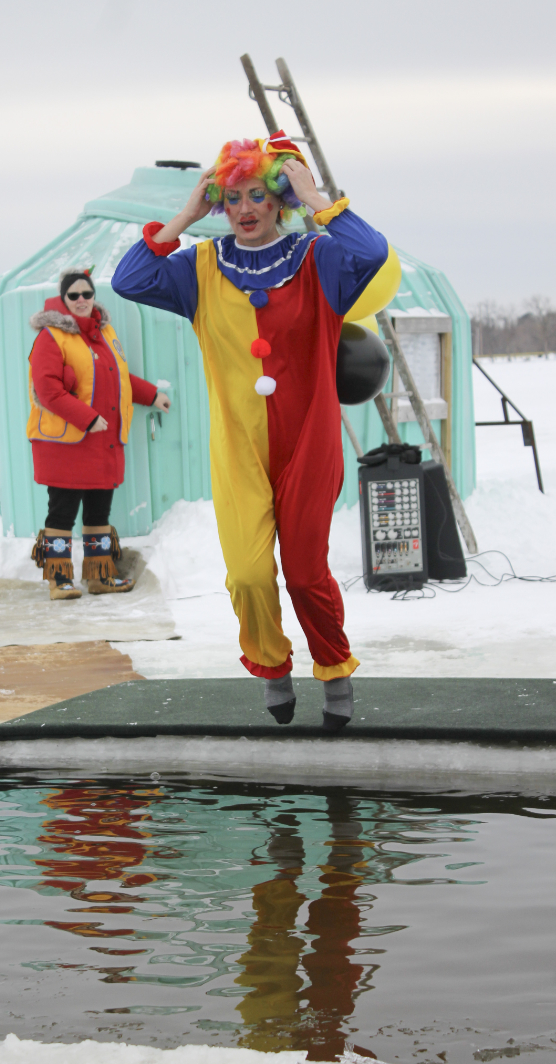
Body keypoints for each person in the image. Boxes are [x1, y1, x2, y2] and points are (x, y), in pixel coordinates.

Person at [112, 132, 391, 729]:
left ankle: (335, 666)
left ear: (278, 200)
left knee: (306, 573)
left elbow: (371, 252)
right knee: (246, 574)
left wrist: (313, 193)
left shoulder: (320, 260)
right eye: (231, 197)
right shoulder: (198, 268)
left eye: (259, 195)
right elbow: (128, 280)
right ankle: (271, 665)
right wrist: (187, 212)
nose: (244, 208)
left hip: (307, 445)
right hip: (239, 449)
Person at [27, 268, 170, 599]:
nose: (81, 300)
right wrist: (87, 418)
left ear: (94, 297)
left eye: (86, 294)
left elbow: (119, 377)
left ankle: (99, 575)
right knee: (61, 512)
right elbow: (47, 390)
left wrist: (152, 395)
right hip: (67, 443)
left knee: (98, 513)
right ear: (63, 299)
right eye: (73, 295)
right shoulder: (51, 337)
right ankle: (59, 579)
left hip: (102, 442)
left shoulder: (105, 334)